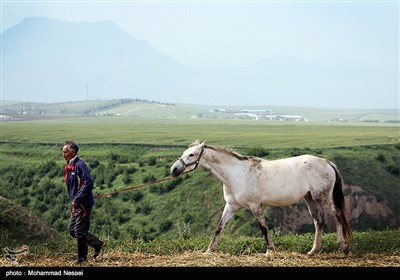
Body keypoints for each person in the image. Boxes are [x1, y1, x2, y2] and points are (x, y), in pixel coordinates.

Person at [62, 140, 104, 264]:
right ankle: (97, 243)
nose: (63, 154)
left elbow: (88, 182)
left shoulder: (79, 165)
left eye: (65, 152)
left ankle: (82, 260)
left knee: (79, 231)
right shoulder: (71, 165)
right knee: (72, 230)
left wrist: (77, 199)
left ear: (72, 152)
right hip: (77, 203)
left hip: (83, 204)